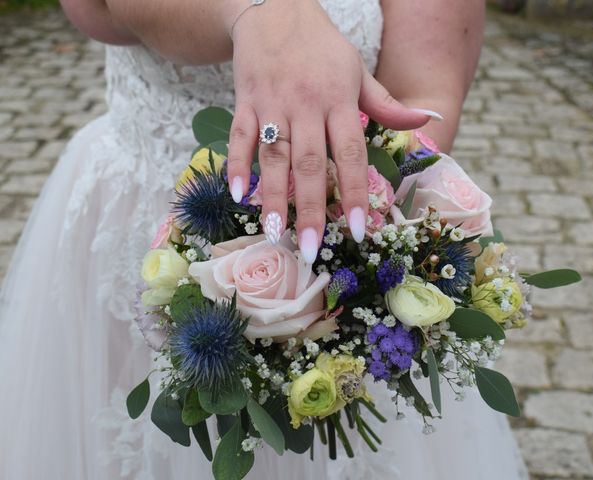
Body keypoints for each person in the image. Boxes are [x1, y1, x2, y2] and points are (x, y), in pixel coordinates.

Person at [0, 0, 528, 478]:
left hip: (334, 258)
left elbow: (422, 93)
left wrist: (354, 240)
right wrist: (260, 14)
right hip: (134, 215)